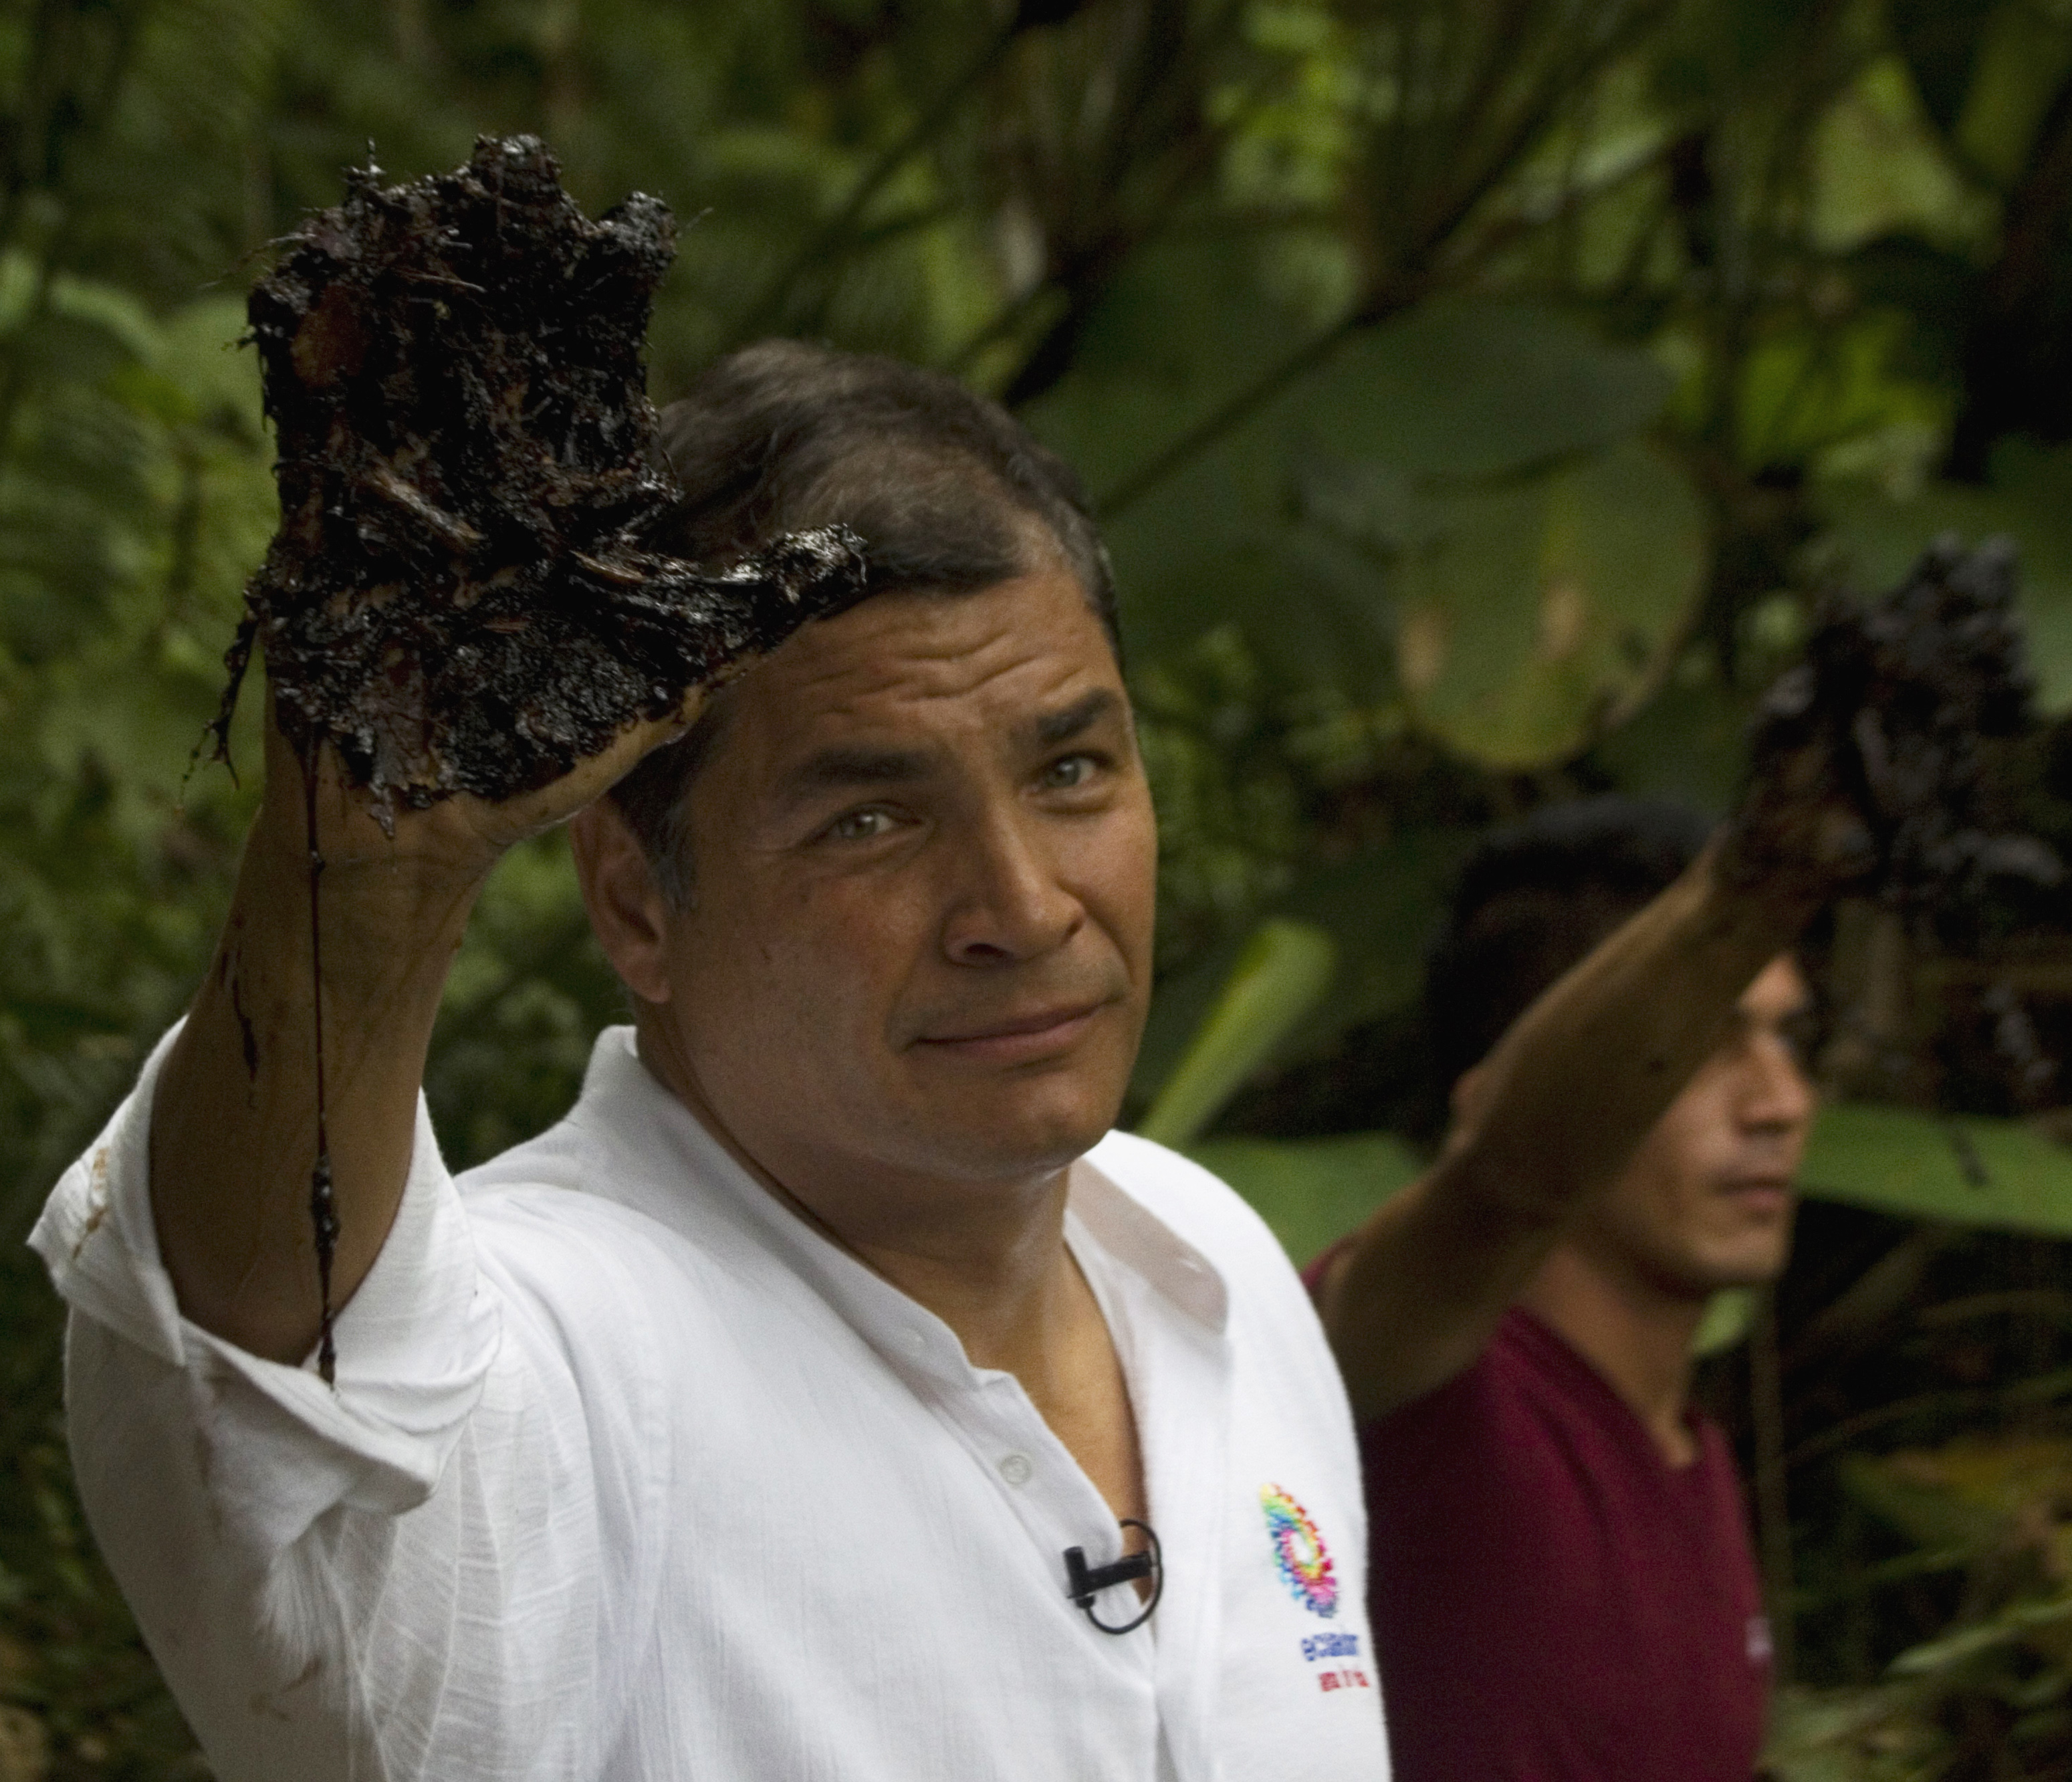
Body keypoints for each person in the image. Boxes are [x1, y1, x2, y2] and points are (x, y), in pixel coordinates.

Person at [31, 342, 1387, 1780]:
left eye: (1069, 772)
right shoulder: (561, 1356)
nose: (1025, 905)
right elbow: (257, 1374)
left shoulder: (1208, 1264)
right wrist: (361, 874)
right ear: (633, 902)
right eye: (869, 818)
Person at [1310, 796, 1821, 1782]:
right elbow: (1499, 1183)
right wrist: (1754, 876)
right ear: (1502, 1086)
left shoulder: (1687, 1448)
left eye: (1785, 1040)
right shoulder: (1410, 1385)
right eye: (1705, 1045)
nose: (1780, 1103)